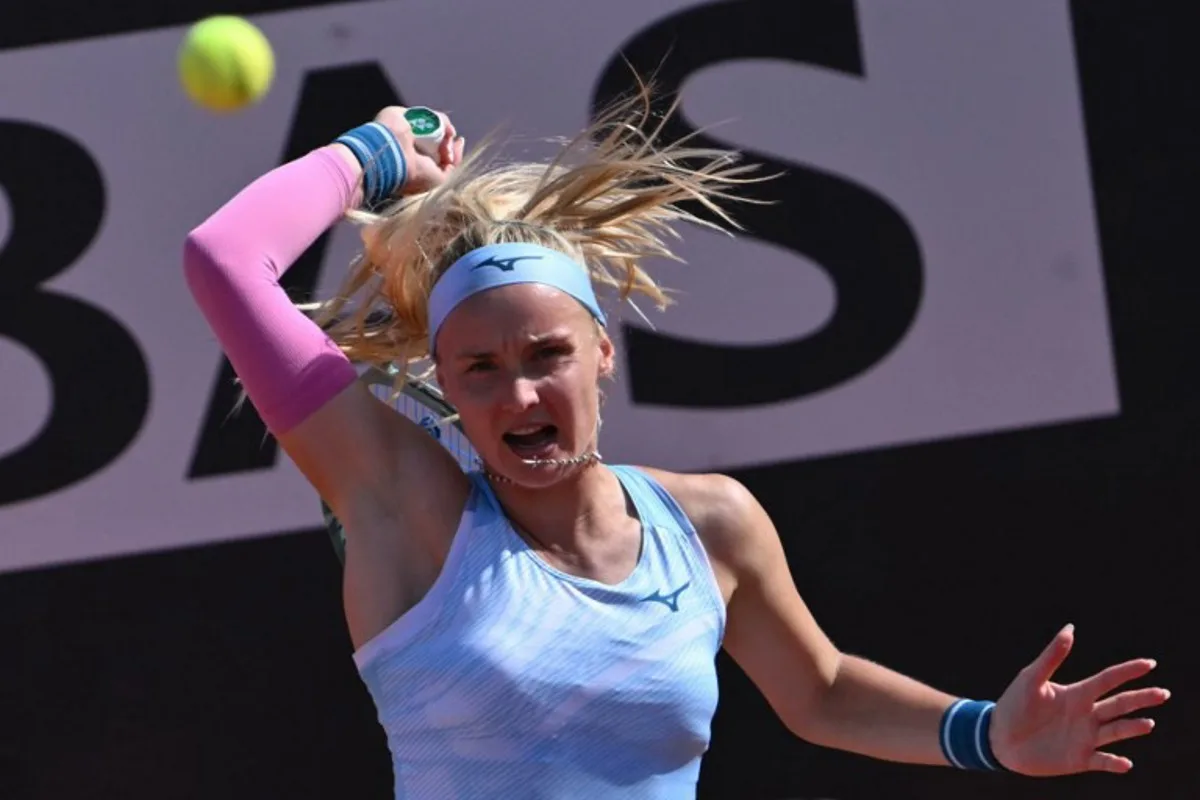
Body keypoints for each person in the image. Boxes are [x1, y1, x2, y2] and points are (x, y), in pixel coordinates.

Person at [183, 94, 1170, 799]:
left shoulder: (711, 522)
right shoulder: (407, 506)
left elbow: (819, 689)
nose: (520, 389)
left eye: (546, 354)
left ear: (602, 353)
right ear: (444, 385)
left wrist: (988, 735)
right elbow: (225, 259)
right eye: (478, 368)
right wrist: (373, 153)